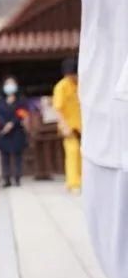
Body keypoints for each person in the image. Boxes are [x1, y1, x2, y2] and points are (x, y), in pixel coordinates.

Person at [52, 58, 82, 193]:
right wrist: (64, 127)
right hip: (69, 127)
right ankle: (73, 183)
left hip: (83, 126)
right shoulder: (61, 87)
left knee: (84, 155)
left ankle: (83, 181)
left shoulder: (81, 84)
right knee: (72, 153)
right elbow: (57, 109)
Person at [0, 78, 28, 187]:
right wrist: (4, 125)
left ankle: (17, 178)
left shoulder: (21, 100)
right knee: (5, 157)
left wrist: (12, 123)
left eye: (12, 84)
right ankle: (6, 178)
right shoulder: (1, 101)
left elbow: (23, 114)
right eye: (7, 84)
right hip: (4, 132)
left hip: (17, 131)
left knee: (18, 155)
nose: (10, 86)